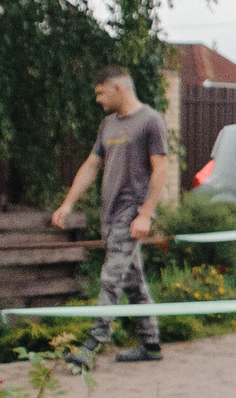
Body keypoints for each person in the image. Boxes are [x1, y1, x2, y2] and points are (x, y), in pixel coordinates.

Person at [50, 63, 172, 367]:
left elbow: (161, 169)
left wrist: (145, 214)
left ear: (118, 87)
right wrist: (68, 203)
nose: (98, 99)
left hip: (131, 214)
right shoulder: (108, 125)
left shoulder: (150, 121)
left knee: (110, 279)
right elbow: (91, 166)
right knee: (133, 281)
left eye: (100, 92)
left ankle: (92, 346)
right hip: (110, 214)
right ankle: (151, 343)